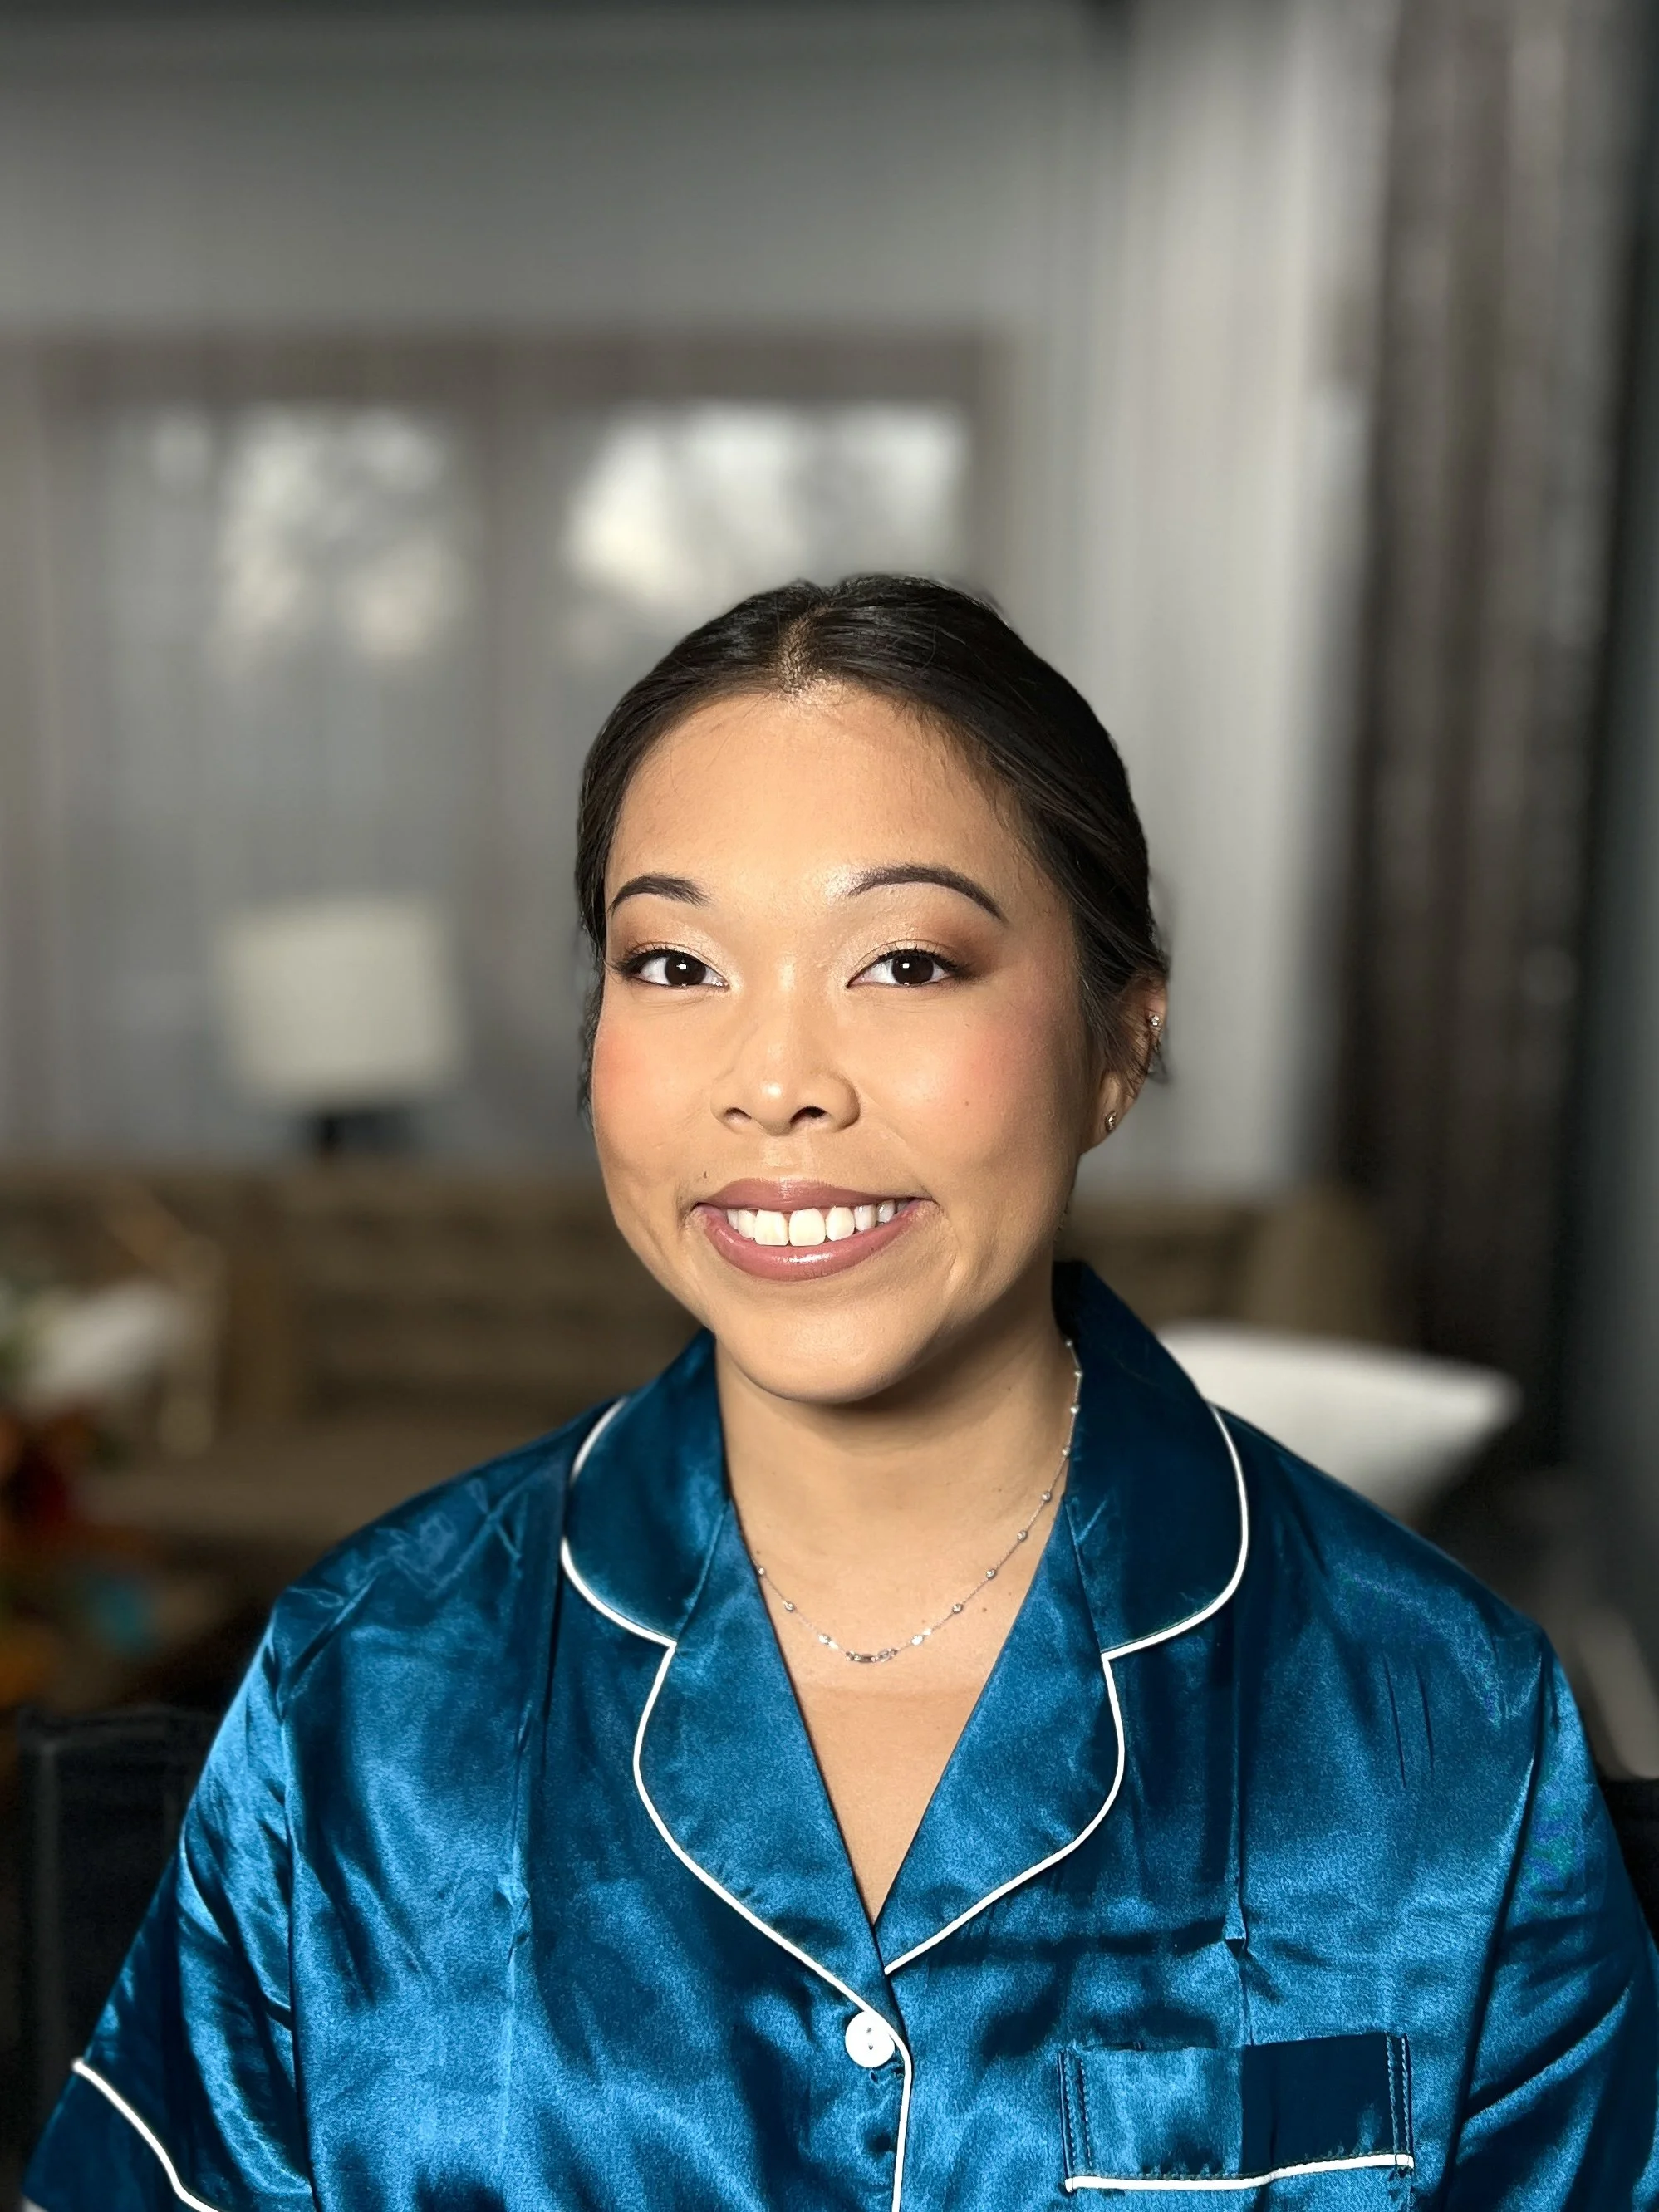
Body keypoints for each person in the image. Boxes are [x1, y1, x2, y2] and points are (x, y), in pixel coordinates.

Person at [26, 576, 1659, 2211]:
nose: (775, 1078)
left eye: (900, 960)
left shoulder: (1442, 1719)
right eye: (672, 962)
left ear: (1117, 1039)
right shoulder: (362, 1693)